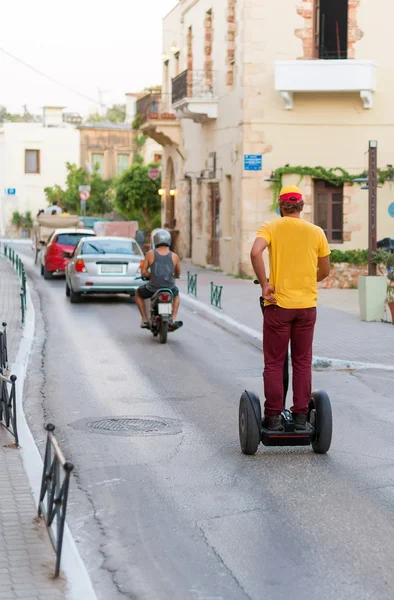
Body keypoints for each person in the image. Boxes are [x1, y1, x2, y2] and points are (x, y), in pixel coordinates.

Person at [250, 185, 331, 432]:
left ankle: (273, 417)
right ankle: (299, 417)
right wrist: (305, 281)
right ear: (301, 206)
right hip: (307, 307)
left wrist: (265, 285)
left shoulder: (271, 227)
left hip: (279, 306)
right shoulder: (316, 232)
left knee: (274, 362)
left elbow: (255, 252)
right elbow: (325, 271)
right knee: (302, 362)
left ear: (281, 205)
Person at [135, 229, 183, 330]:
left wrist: (151, 276)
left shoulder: (150, 254)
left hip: (153, 288)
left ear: (155, 241)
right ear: (168, 241)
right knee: (177, 295)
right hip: (170, 288)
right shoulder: (175, 256)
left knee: (138, 293)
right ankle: (173, 318)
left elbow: (143, 272)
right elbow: (178, 272)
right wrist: (174, 276)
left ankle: (144, 319)